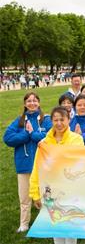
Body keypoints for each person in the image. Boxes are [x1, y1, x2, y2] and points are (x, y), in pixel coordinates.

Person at [30, 106, 84, 244]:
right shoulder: (44, 143)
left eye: (62, 119)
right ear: (52, 121)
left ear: (68, 120)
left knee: (71, 227)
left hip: (71, 190)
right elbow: (37, 168)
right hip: (50, 191)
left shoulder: (76, 139)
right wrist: (35, 193)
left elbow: (78, 163)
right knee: (56, 224)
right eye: (55, 120)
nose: (59, 123)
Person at [3, 92, 52, 233]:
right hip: (24, 164)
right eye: (29, 101)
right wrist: (25, 134)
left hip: (43, 164)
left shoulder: (46, 119)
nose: (32, 103)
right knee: (24, 197)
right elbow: (8, 138)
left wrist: (33, 134)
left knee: (45, 195)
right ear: (25, 104)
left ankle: (48, 220)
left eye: (35, 100)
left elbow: (49, 137)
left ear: (39, 103)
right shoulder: (19, 121)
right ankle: (24, 223)